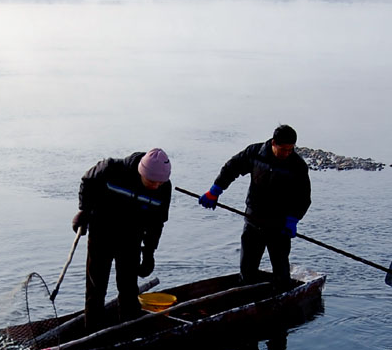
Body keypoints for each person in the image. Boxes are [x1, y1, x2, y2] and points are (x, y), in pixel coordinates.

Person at [72, 148, 172, 332]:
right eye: (152, 181)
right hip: (101, 232)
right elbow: (87, 181)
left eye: (160, 182)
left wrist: (149, 253)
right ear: (141, 172)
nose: (156, 186)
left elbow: (156, 223)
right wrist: (84, 211)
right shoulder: (111, 169)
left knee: (128, 288)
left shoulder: (163, 188)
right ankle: (92, 330)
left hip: (131, 236)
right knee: (96, 287)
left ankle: (129, 327)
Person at [198, 124, 311, 288]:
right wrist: (215, 190)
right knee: (247, 269)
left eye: (291, 149)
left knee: (280, 269)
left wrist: (293, 219)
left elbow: (303, 197)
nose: (287, 153)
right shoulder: (255, 153)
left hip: (279, 225)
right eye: (283, 149)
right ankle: (246, 297)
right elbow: (232, 168)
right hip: (253, 219)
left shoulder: (297, 165)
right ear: (274, 143)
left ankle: (284, 297)